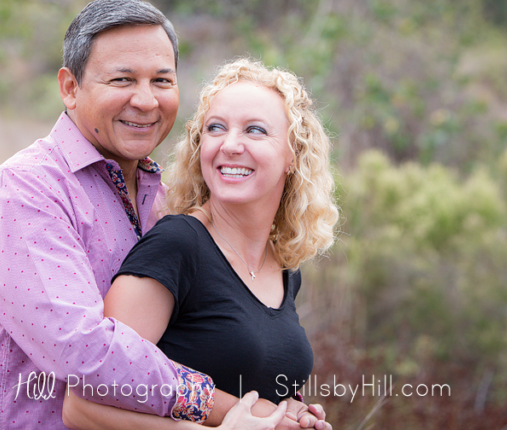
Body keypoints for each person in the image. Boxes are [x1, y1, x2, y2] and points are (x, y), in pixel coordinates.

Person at [0, 0, 311, 430]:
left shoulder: (168, 199)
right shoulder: (27, 192)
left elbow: (203, 335)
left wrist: (287, 409)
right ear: (70, 88)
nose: (145, 100)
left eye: (161, 80)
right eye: (122, 79)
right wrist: (238, 411)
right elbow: (84, 355)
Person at [63, 58, 339, 429]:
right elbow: (81, 405)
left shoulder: (285, 267)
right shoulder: (178, 245)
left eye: (255, 130)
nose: (230, 145)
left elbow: (242, 381)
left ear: (293, 155)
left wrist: (289, 411)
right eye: (215, 128)